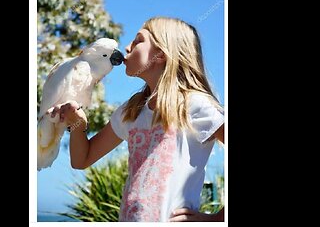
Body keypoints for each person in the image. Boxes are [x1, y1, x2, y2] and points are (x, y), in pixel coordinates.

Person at [49, 17, 224, 222]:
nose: (126, 46)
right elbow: (82, 160)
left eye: (138, 40)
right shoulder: (131, 111)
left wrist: (217, 219)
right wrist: (77, 124)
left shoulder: (194, 105)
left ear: (160, 54)